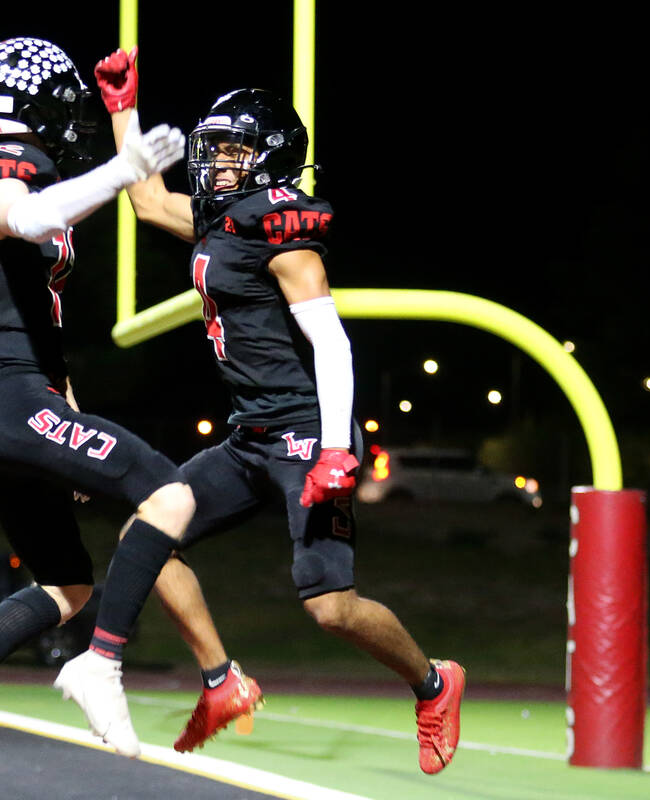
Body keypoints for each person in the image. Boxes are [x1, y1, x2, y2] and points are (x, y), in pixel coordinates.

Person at [92, 47, 466, 774]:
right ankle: (220, 680)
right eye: (214, 151)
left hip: (305, 433)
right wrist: (123, 113)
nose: (217, 164)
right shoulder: (219, 218)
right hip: (248, 435)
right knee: (146, 532)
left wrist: (334, 448)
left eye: (233, 151)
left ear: (271, 158)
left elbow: (331, 342)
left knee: (329, 606)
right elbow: (143, 198)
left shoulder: (282, 232)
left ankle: (432, 682)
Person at [0, 36, 194, 783]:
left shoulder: (18, 165)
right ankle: (101, 664)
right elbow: (30, 216)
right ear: (31, 108)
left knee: (66, 585)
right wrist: (122, 165)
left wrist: (122, 118)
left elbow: (37, 325)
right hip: (3, 399)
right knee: (170, 490)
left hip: (6, 405)